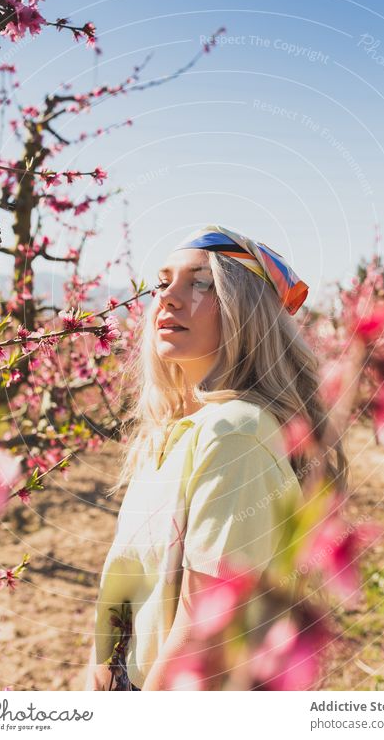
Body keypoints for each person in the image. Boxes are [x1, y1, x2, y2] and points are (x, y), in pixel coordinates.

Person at [85, 223, 348, 691]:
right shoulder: (168, 431)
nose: (169, 297)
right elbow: (128, 572)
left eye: (201, 283)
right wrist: (101, 668)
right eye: (162, 283)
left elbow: (204, 633)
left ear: (245, 310)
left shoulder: (234, 434)